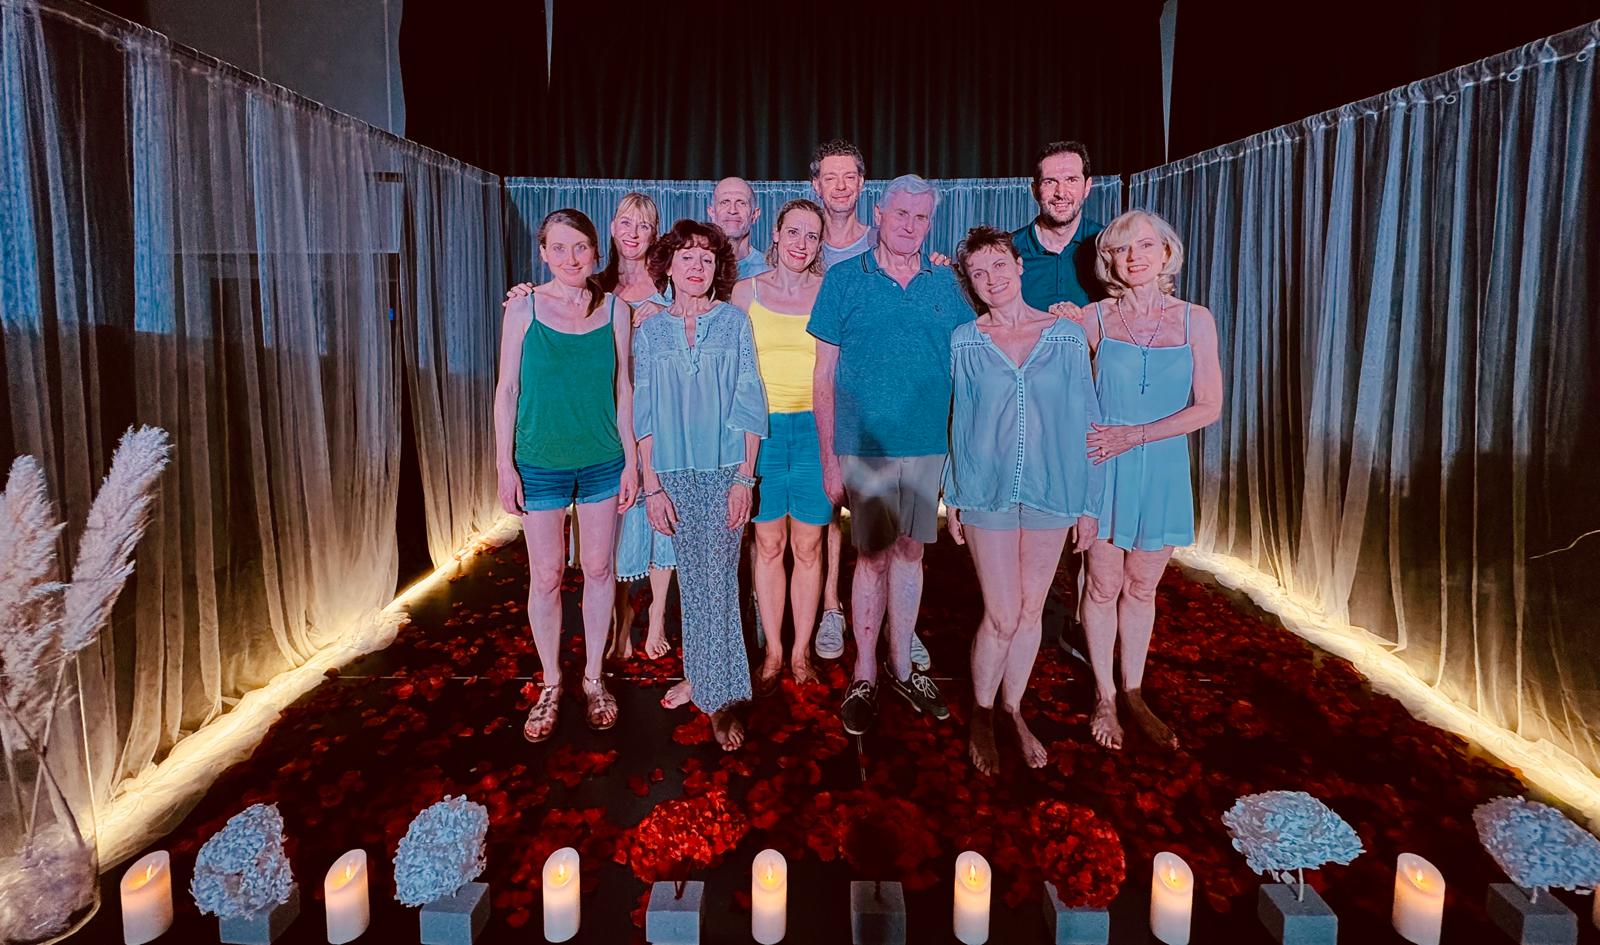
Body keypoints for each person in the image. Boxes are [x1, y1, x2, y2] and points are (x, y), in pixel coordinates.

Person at [810, 174, 975, 736]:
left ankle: (902, 665)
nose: (910, 225)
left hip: (928, 447)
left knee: (910, 554)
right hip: (868, 449)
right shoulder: (843, 280)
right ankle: (864, 672)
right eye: (901, 213)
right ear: (878, 214)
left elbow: (970, 367)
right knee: (873, 557)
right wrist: (831, 459)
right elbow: (823, 378)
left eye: (921, 217)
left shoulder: (947, 283)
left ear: (931, 222)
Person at [944, 226, 1103, 775]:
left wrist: (1088, 502)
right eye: (977, 273)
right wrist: (954, 493)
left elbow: (1087, 417)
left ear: (1018, 265)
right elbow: (959, 419)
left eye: (998, 265)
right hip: (984, 489)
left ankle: (1012, 708)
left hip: (1052, 489)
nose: (990, 279)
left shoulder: (1066, 336)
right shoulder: (965, 340)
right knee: (1002, 613)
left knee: (1032, 611)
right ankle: (982, 712)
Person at [1077, 209, 1222, 751]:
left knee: (1141, 587)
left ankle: (1134, 691)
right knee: (1101, 586)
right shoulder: (1093, 317)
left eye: (1143, 245)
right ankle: (1105, 695)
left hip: (1160, 468)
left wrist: (1134, 435)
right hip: (1104, 467)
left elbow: (1208, 406)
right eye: (1120, 249)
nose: (1133, 257)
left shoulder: (1196, 319)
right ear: (1108, 261)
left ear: (1166, 253)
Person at [494, 209, 636, 742]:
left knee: (599, 569)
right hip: (539, 461)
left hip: (601, 459)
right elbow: (507, 390)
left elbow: (624, 388)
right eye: (559, 247)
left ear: (596, 252)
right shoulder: (523, 307)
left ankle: (594, 677)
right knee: (547, 576)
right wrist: (504, 465)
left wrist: (631, 460)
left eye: (580, 247)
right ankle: (552, 681)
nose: (571, 258)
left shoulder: (616, 310)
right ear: (543, 254)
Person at [634, 219, 768, 750]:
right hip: (672, 473)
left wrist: (744, 479)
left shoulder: (734, 323)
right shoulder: (650, 332)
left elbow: (750, 401)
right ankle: (706, 678)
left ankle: (720, 695)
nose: (697, 266)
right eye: (687, 256)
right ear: (668, 266)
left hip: (724, 469)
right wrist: (651, 486)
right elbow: (643, 413)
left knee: (719, 581)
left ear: (719, 269)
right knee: (694, 583)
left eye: (708, 259)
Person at [805, 139, 927, 671]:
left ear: (863, 187)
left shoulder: (892, 245)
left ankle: (900, 630)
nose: (839, 186)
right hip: (827, 407)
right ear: (815, 184)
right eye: (829, 177)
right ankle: (832, 610)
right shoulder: (805, 242)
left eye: (848, 176)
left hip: (888, 423)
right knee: (830, 523)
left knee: (897, 538)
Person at [731, 199, 829, 692]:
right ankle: (773, 651)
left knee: (808, 545)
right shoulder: (744, 292)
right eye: (793, 232)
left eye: (812, 236)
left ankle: (800, 652)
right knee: (768, 544)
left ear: (820, 244)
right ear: (776, 233)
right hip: (760, 433)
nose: (801, 243)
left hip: (815, 431)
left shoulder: (830, 291)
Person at [1013, 141, 1104, 310]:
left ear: (1087, 187)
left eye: (1071, 180)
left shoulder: (1108, 245)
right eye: (1050, 182)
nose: (1061, 193)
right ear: (1035, 190)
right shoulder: (1009, 251)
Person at [709, 176, 770, 281]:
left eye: (741, 203)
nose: (732, 210)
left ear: (754, 215)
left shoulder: (770, 271)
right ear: (712, 213)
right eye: (724, 202)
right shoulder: (698, 268)